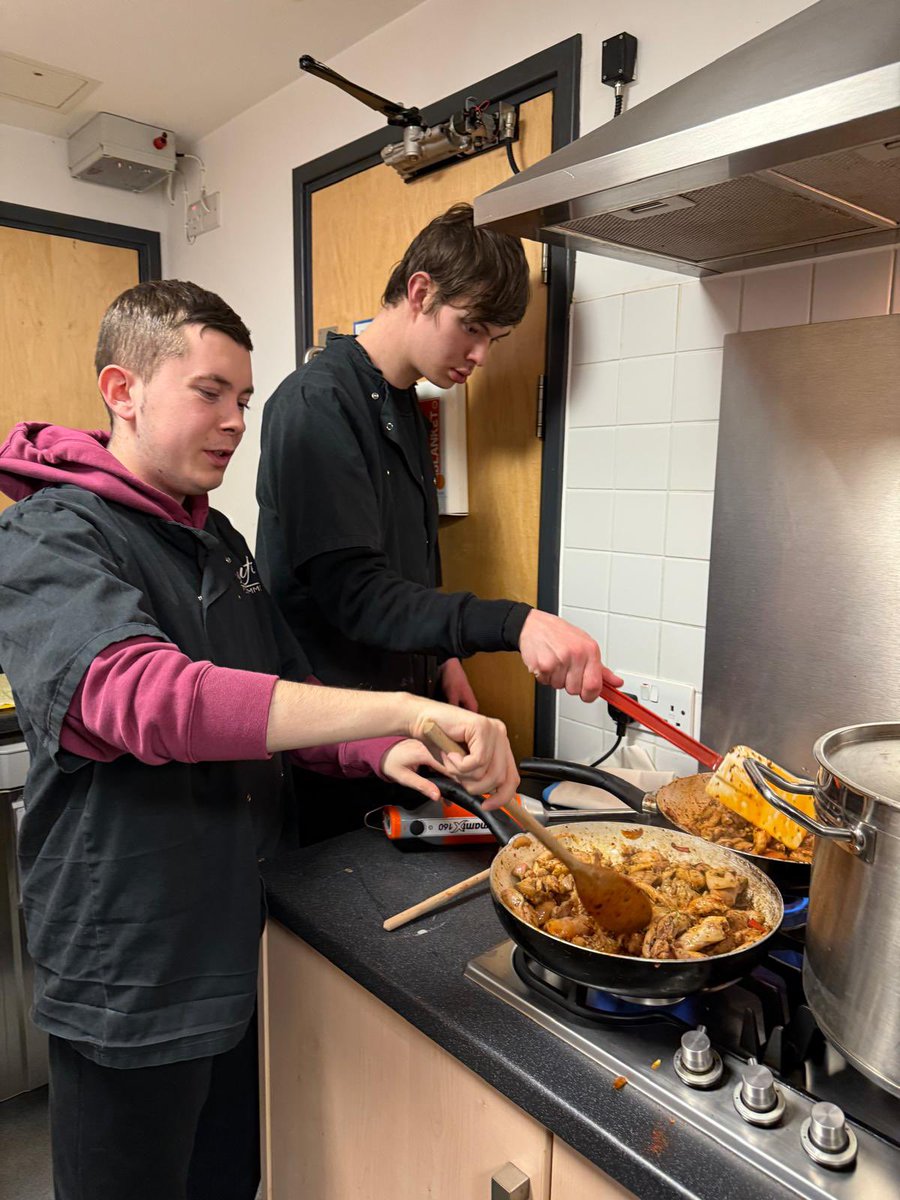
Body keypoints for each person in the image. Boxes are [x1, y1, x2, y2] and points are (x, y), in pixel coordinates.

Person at [0, 279, 517, 1200]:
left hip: (235, 943)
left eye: (243, 398)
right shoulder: (51, 533)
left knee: (228, 1183)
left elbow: (290, 693)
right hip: (131, 973)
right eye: (210, 392)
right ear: (123, 390)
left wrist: (373, 751)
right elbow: (146, 698)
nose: (237, 421)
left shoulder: (221, 541)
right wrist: (401, 711)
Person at [256, 203, 622, 729]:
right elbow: (356, 596)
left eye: (492, 340)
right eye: (470, 327)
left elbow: (411, 563)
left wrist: (444, 659)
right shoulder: (317, 404)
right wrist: (515, 623)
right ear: (421, 292)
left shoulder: (407, 404)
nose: (480, 356)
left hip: (397, 710)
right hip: (328, 725)